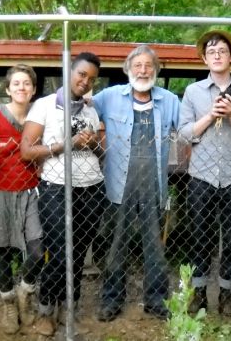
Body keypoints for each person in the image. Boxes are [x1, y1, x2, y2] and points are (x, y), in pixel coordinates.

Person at [20, 52, 106, 336]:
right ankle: (46, 309)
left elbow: (102, 153)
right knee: (57, 252)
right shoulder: (44, 105)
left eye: (91, 79)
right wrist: (64, 145)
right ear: (70, 71)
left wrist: (93, 143)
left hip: (91, 188)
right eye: (82, 74)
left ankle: (70, 308)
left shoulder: (92, 109)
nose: (85, 82)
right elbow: (26, 152)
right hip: (56, 187)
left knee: (79, 253)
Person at [92, 45, 179, 322]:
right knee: (116, 243)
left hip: (154, 183)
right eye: (137, 65)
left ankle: (156, 300)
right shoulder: (108, 97)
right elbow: (79, 106)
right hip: (119, 182)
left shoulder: (169, 100)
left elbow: (188, 128)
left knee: (154, 244)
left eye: (148, 65)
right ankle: (112, 300)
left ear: (156, 69)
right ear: (128, 69)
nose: (143, 70)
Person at [178, 30, 231, 317]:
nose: (216, 55)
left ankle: (226, 294)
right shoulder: (193, 92)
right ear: (204, 58)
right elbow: (184, 135)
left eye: (222, 50)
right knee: (199, 238)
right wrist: (211, 115)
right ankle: (198, 294)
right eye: (211, 51)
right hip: (201, 176)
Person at [0, 64, 44, 334]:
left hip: (30, 191)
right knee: (2, 250)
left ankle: (25, 294)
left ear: (34, 89)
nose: (21, 88)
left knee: (38, 250)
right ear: (7, 89)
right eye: (16, 83)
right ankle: (9, 304)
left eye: (27, 83)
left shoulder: (39, 116)